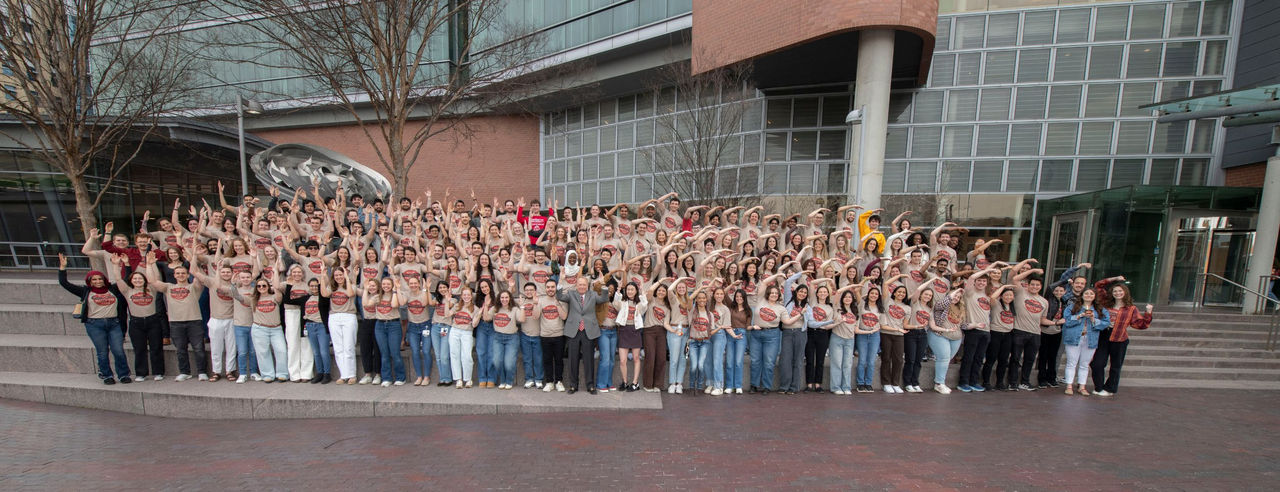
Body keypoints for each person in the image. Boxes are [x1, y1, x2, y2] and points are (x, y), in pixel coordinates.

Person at [58, 253, 131, 385]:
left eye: (100, 279)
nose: (98, 282)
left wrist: (126, 264)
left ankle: (123, 374)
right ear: (89, 281)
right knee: (102, 352)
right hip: (95, 324)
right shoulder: (85, 291)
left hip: (114, 323)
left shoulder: (113, 289)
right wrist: (62, 268)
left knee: (118, 351)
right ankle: (106, 375)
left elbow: (126, 280)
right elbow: (65, 283)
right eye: (94, 280)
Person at [147, 251, 208, 382]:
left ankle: (202, 372)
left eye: (183, 273)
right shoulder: (168, 287)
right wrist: (149, 264)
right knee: (180, 349)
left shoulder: (194, 287)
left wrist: (193, 260)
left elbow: (198, 275)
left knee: (199, 349)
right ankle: (184, 372)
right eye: (178, 273)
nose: (180, 275)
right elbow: (152, 281)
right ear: (174, 275)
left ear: (187, 274)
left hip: (194, 321)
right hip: (175, 323)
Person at [1090, 280, 1152, 396]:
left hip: (1120, 339)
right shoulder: (1106, 304)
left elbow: (1140, 324)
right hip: (1104, 336)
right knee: (1097, 364)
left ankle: (1110, 389)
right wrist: (1116, 278)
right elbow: (1098, 285)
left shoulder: (1131, 309)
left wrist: (1148, 313)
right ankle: (1099, 387)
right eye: (1115, 291)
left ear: (1125, 292)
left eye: (1120, 291)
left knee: (1115, 366)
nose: (1117, 293)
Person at [556, 277, 610, 394]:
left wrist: (603, 283)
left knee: (589, 359)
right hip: (573, 330)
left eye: (584, 285)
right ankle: (573, 385)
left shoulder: (593, 294)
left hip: (588, 331)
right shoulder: (571, 294)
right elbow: (559, 296)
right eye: (580, 285)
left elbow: (604, 298)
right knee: (572, 359)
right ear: (576, 285)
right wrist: (560, 281)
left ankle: (590, 386)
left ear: (587, 285)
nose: (582, 287)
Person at [1063, 289, 1110, 395]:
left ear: (1095, 296)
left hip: (1090, 339)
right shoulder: (1073, 307)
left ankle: (1082, 386)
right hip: (1074, 338)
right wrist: (1079, 316)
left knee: (1084, 364)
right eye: (1086, 293)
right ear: (1082, 295)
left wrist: (1094, 319)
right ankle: (1069, 385)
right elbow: (1067, 321)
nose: (1089, 295)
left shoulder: (1099, 309)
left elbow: (1106, 323)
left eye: (1091, 293)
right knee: (1071, 363)